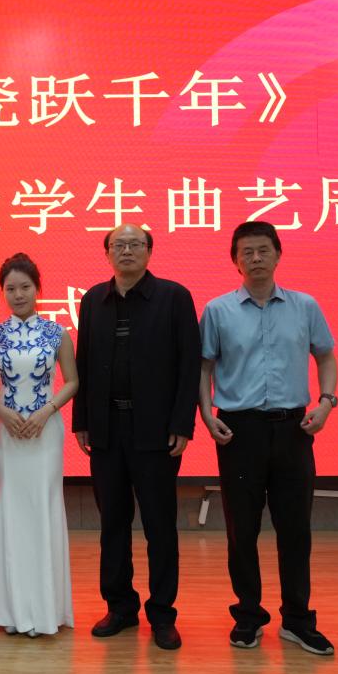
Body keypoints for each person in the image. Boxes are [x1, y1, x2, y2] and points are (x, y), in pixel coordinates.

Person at [198, 221, 338, 656]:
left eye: (263, 250)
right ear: (235, 261)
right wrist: (205, 414)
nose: (256, 258)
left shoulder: (305, 306)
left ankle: (297, 619)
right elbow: (204, 368)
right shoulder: (218, 310)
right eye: (247, 252)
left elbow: (326, 356)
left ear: (278, 254)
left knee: (295, 529)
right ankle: (248, 615)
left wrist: (326, 402)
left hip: (294, 429)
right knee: (242, 530)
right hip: (239, 431)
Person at [72, 224, 200, 651]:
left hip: (156, 432)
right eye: (118, 245)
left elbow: (189, 365)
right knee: (113, 524)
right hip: (106, 430)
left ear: (149, 251)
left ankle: (162, 614)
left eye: (135, 244)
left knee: (160, 526)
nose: (126, 251)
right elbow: (83, 364)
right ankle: (120, 607)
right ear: (107, 253)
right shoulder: (93, 300)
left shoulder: (174, 297)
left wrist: (182, 424)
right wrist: (82, 420)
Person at [0, 253, 78, 637]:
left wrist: (46, 411)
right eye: (10, 288)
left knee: (43, 509)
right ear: (2, 292)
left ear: (38, 289)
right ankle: (11, 609)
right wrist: (1, 411)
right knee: (9, 510)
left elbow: (72, 381)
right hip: (7, 434)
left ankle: (45, 609)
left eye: (25, 287)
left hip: (45, 432)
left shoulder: (57, 333)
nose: (18, 294)